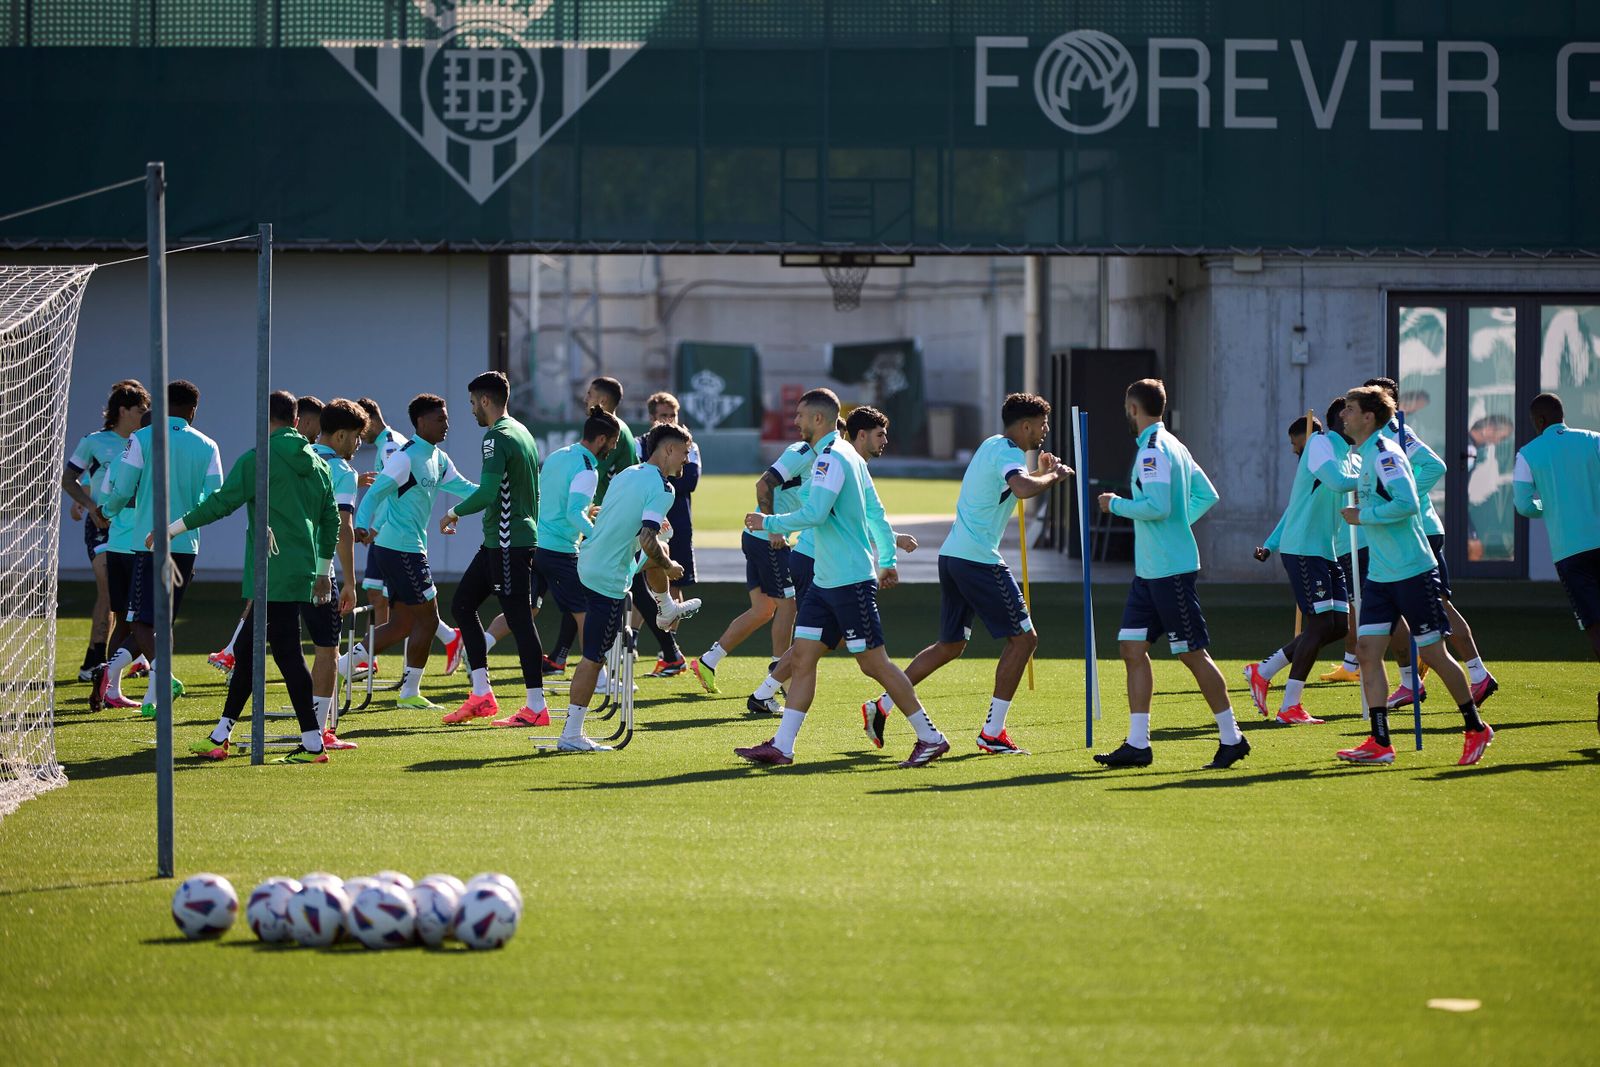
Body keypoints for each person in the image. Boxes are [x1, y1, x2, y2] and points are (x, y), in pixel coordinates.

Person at [736, 389, 951, 768]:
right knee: (802, 658)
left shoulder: (831, 459)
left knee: (875, 664)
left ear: (819, 419)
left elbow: (816, 513)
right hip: (826, 580)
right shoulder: (848, 455)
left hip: (848, 581)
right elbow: (876, 512)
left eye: (801, 416)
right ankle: (782, 747)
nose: (796, 422)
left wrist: (768, 522)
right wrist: (887, 558)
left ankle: (930, 736)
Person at [859, 394, 1071, 754]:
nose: (1045, 431)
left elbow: (1008, 488)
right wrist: (1052, 475)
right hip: (977, 560)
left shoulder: (993, 446)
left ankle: (883, 704)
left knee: (951, 645)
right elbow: (1020, 489)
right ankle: (992, 733)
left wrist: (1039, 473)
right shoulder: (1009, 452)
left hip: (954, 555)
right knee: (1024, 640)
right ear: (1026, 426)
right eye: (1042, 424)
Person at [176, 390, 338, 764]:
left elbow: (220, 504)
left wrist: (171, 529)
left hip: (271, 572)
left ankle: (313, 744)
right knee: (249, 654)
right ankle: (221, 734)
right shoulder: (317, 463)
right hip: (299, 570)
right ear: (296, 421)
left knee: (288, 656)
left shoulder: (258, 459)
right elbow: (331, 520)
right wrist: (323, 570)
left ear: (264, 420)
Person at [1335, 385, 1492, 766]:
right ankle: (1380, 742)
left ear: (1369, 417)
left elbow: (1407, 504)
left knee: (1436, 655)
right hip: (1381, 575)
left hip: (1412, 570)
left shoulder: (1387, 453)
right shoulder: (1366, 453)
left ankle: (1475, 728)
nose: (1343, 415)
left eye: (1350, 409)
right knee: (1368, 651)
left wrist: (1364, 516)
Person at [1093, 378, 1244, 770]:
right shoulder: (1170, 445)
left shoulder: (1155, 451)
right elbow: (1205, 494)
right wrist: (1177, 525)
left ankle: (1233, 737)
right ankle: (1137, 744)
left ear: (1133, 409)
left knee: (1193, 654)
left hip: (1168, 571)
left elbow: (1157, 507)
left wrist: (1116, 505)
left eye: (1126, 408)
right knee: (1131, 647)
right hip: (1152, 570)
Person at [749, 406, 919, 717]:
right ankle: (767, 696)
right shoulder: (831, 459)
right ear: (861, 435)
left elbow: (860, 519)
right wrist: (771, 524)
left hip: (829, 566)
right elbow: (819, 512)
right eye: (880, 435)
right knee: (826, 646)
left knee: (818, 643)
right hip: (818, 563)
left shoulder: (848, 462)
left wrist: (891, 544)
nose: (885, 441)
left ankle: (769, 703)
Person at [1364, 377, 1499, 710]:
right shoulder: (1375, 438)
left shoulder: (1395, 431)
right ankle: (1413, 682)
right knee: (1398, 611)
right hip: (1404, 532)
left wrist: (1404, 496)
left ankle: (1476, 675)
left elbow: (1435, 466)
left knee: (1438, 608)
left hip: (1419, 529)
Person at [92, 380, 224, 718]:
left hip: (147, 544)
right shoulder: (208, 445)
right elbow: (215, 500)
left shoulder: (142, 438)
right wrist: (185, 522)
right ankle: (154, 697)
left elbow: (121, 488)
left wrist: (107, 511)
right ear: (193, 410)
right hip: (185, 544)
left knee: (139, 621)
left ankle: (162, 680)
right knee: (162, 624)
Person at [559, 423, 695, 753]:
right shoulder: (664, 489)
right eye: (685, 453)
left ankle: (665, 608)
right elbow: (648, 539)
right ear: (668, 450)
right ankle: (572, 734)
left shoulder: (629, 473)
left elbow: (620, 518)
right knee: (593, 658)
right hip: (607, 576)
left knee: (662, 540)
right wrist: (670, 566)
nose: (686, 461)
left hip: (589, 561)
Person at [351, 393, 477, 710]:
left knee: (403, 624)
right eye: (440, 419)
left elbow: (467, 490)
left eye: (446, 418)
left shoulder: (439, 458)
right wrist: (362, 525)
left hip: (406, 548)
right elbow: (374, 493)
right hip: (399, 549)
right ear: (421, 422)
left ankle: (341, 666)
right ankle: (409, 692)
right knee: (429, 618)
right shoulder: (405, 457)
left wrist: (501, 490)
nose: (446, 424)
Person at [439, 372, 549, 728]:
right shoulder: (523, 432)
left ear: (486, 400)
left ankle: (535, 706)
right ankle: (481, 694)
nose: (471, 410)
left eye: (472, 403)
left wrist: (453, 512)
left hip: (507, 542)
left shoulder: (496, 437)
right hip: (501, 541)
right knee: (462, 604)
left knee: (518, 619)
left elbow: (488, 493)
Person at [1244, 412, 1357, 724]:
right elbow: (1331, 488)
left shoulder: (1345, 455)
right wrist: (1270, 544)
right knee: (1320, 626)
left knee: (1339, 627)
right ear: (1342, 419)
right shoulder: (1319, 446)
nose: (1296, 452)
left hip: (1326, 551)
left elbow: (1296, 507)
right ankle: (1289, 706)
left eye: (1296, 445)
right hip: (1305, 549)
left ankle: (1262, 671)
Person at [689, 424, 811, 695]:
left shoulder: (816, 457)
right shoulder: (803, 453)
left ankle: (709, 661)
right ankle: (778, 678)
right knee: (787, 607)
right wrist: (773, 528)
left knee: (763, 610)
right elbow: (762, 483)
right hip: (768, 539)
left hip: (757, 537)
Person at [1513, 392, 1600, 734]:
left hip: (1571, 551)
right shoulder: (1594, 440)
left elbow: (1523, 505)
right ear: (1562, 415)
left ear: (1538, 422)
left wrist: (1550, 506)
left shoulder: (1527, 454)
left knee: (1595, 626)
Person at [546, 376, 638, 672]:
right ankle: (596, 673)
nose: (612, 448)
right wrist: (598, 536)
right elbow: (574, 514)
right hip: (562, 548)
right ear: (601, 440)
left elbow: (552, 500)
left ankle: (553, 660)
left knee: (526, 614)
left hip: (538, 545)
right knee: (587, 609)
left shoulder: (558, 455)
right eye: (611, 443)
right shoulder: (588, 470)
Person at [63, 380, 149, 681]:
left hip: (135, 528)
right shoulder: (94, 441)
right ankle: (97, 660)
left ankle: (122, 657)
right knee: (110, 590)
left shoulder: (145, 441)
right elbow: (69, 479)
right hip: (102, 527)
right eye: (141, 409)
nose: (146, 413)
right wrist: (88, 506)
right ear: (124, 410)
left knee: (131, 596)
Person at [306, 398, 368, 750]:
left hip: (280, 565)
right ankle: (317, 731)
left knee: (273, 649)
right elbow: (343, 527)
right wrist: (349, 580)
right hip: (319, 571)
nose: (359, 445)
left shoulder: (300, 456)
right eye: (357, 438)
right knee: (326, 653)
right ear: (341, 436)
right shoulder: (343, 472)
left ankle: (223, 729)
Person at [639, 391, 700, 676]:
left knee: (673, 579)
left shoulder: (689, 445)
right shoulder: (642, 443)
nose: (668, 420)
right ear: (653, 418)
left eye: (672, 416)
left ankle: (670, 649)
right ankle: (640, 640)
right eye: (663, 416)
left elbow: (690, 480)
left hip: (677, 520)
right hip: (648, 521)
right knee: (643, 582)